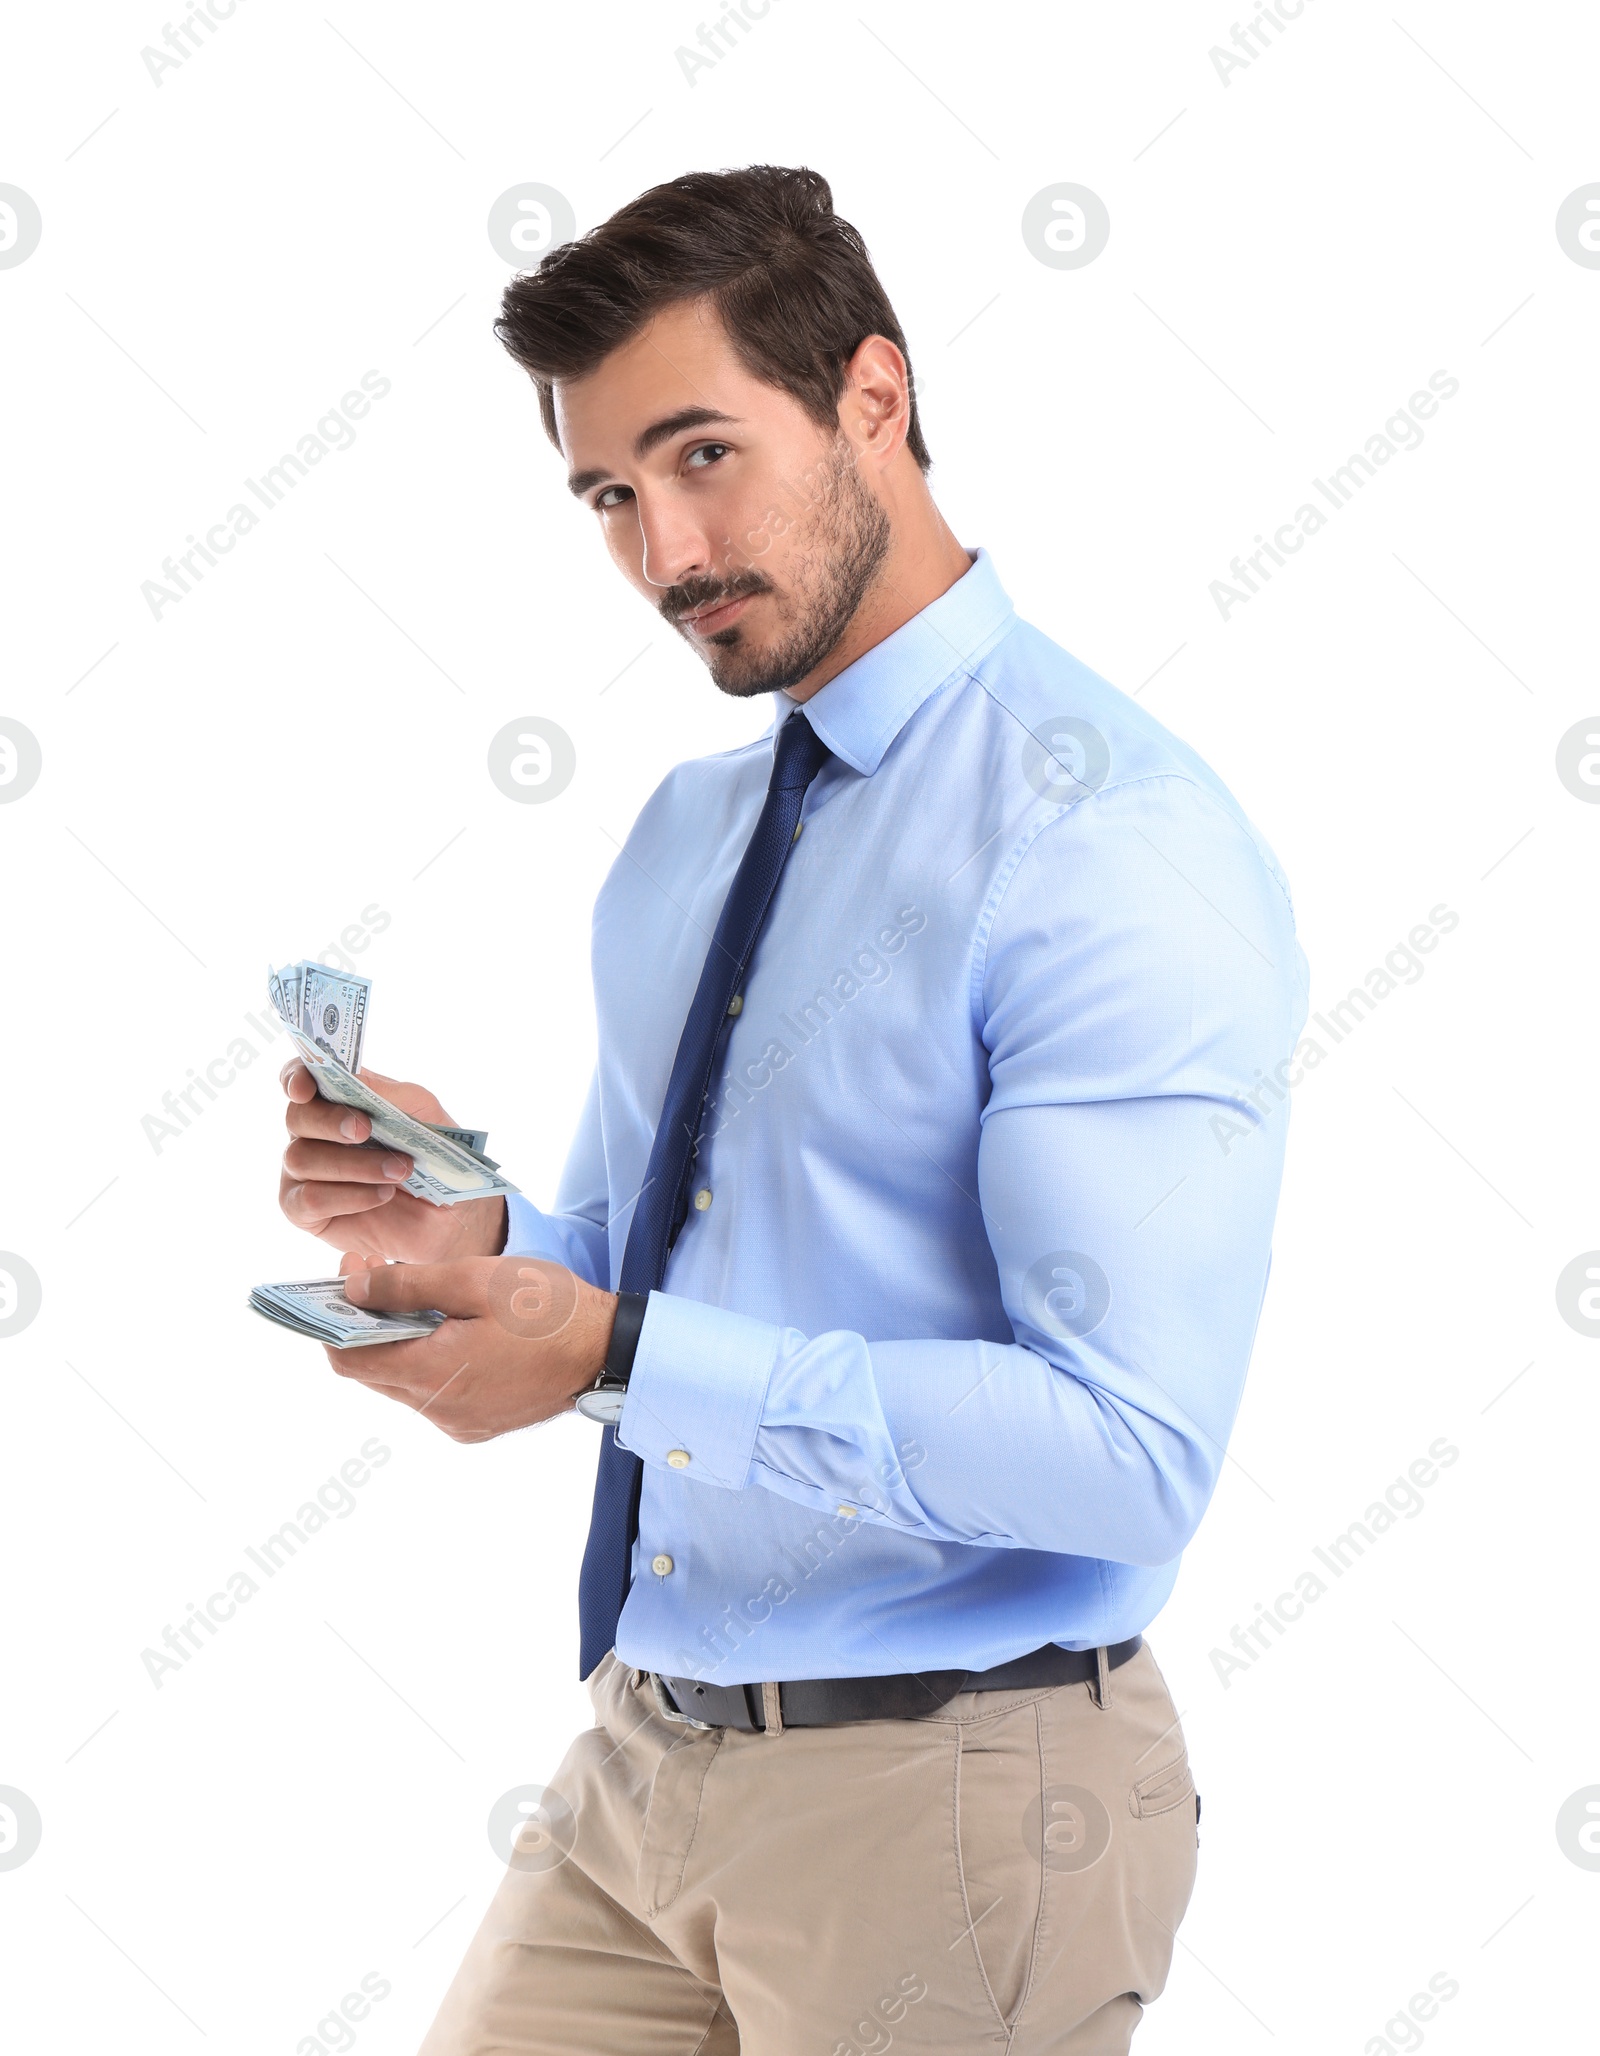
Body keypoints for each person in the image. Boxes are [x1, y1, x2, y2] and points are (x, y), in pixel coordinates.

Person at [276, 164, 1309, 2054]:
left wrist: (612, 1349)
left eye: (701, 456)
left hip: (958, 1791)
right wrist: (479, 1243)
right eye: (608, 495)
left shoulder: (1107, 841)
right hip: (639, 1771)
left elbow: (1128, 1448)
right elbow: (646, 1259)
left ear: (874, 401)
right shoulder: (690, 838)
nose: (666, 549)